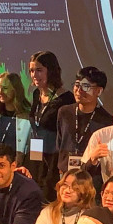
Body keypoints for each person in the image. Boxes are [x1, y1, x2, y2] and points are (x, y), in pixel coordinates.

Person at [26, 51, 75, 202]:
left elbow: (67, 135)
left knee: (50, 196)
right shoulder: (36, 94)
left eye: (39, 70)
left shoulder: (66, 98)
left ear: (51, 71)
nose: (34, 75)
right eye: (32, 71)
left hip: (54, 156)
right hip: (36, 150)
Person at [0, 71, 31, 165]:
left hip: (19, 168)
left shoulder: (28, 116)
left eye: (5, 88)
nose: (0, 92)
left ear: (15, 89)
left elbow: (35, 145)